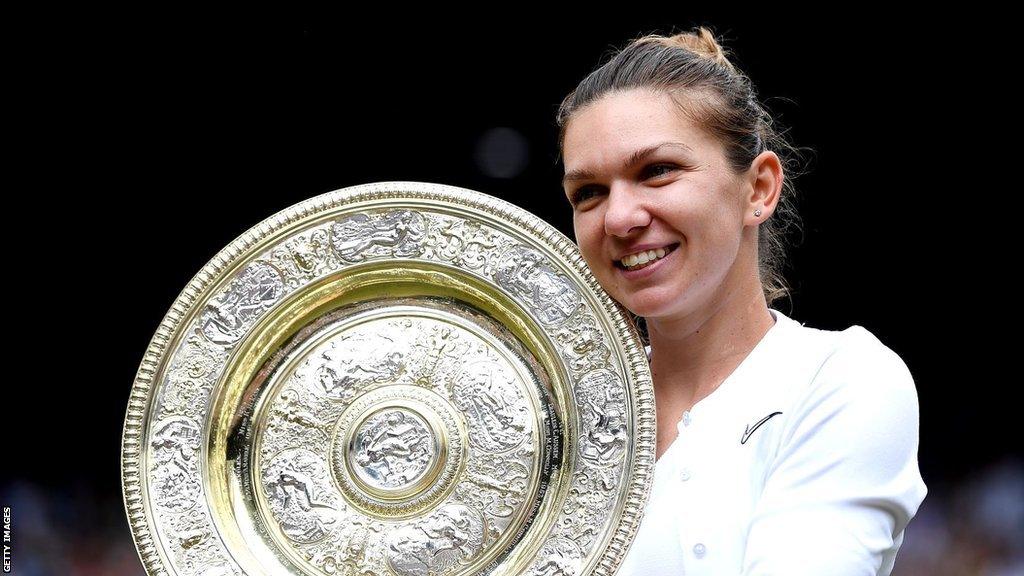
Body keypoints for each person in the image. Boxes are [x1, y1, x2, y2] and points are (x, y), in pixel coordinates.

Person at [555, 27, 927, 575]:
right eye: (589, 192)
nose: (619, 218)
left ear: (757, 189)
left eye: (657, 172)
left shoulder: (842, 379)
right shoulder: (552, 421)